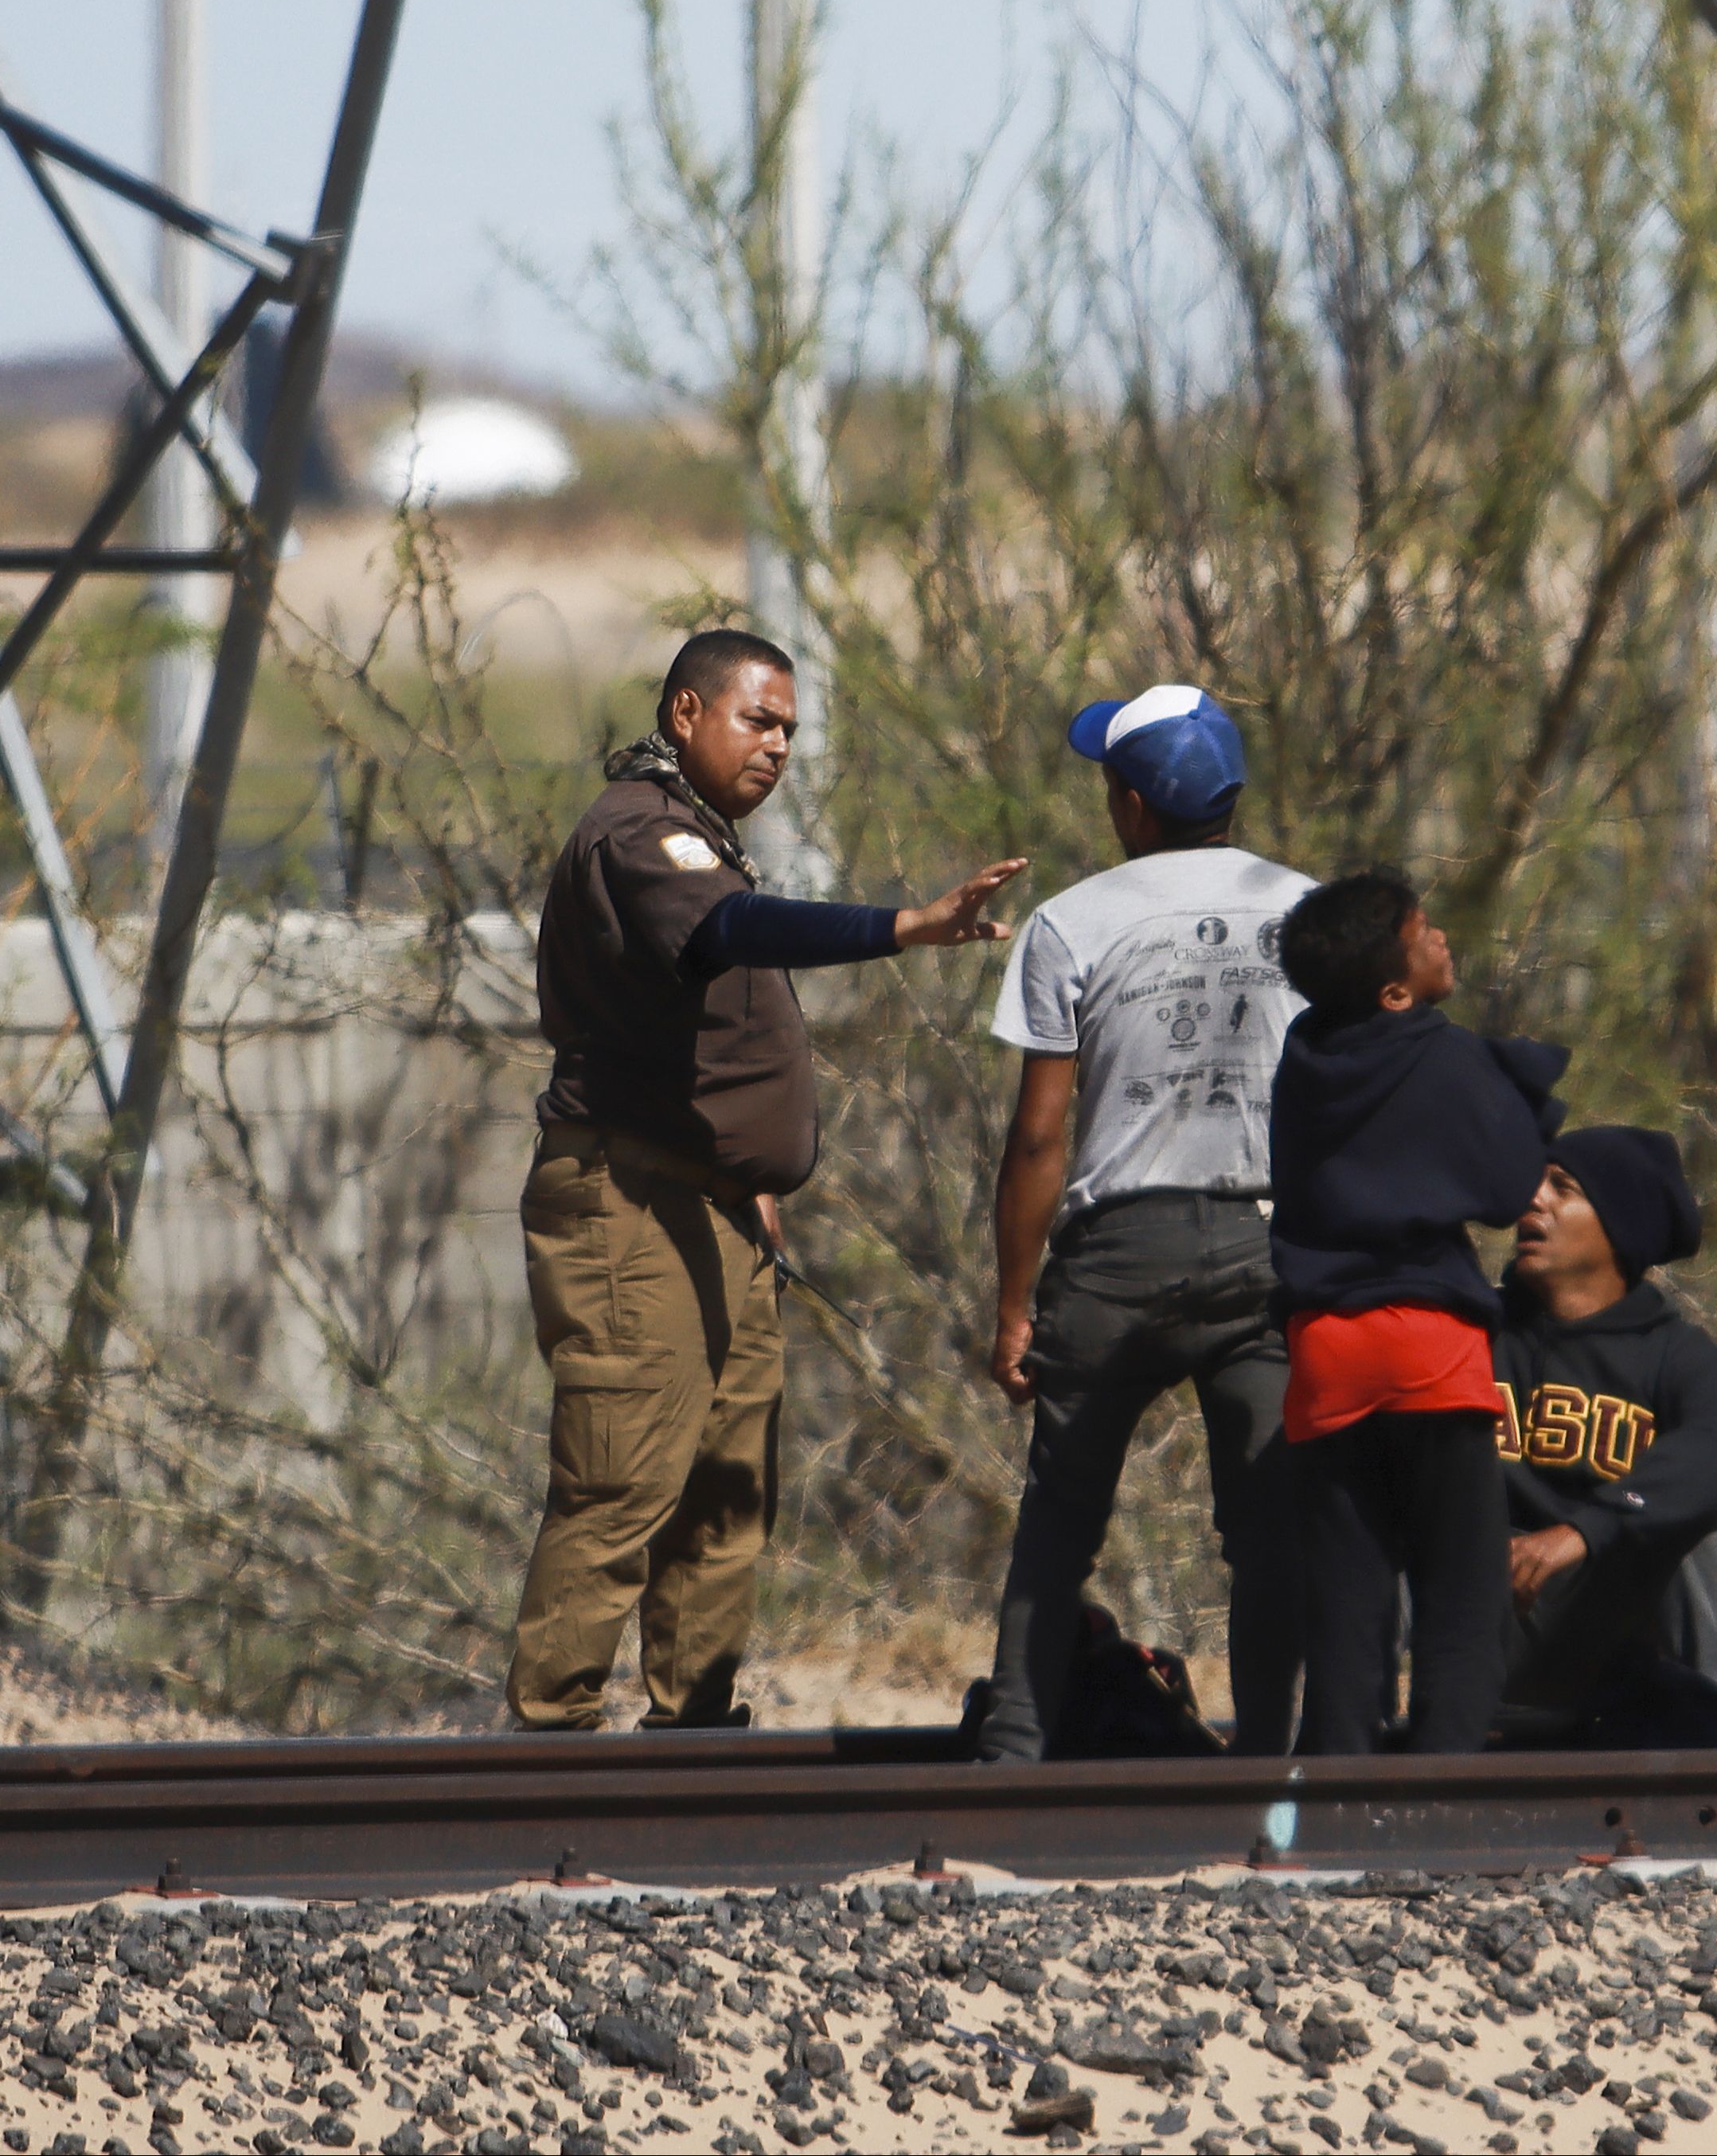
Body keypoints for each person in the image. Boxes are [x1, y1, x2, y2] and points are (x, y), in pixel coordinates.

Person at [513, 628, 1024, 1732]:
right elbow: (731, 930)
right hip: (626, 1199)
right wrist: (908, 925)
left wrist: (749, 1177)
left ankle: (690, 1734)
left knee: (726, 1484)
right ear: (687, 714)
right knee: (623, 1475)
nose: (779, 744)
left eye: (791, 727)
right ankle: (547, 1750)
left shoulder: (700, 835)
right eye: (759, 719)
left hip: (710, 1204)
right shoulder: (641, 831)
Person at [973, 684, 1317, 1762]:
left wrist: (1016, 1303)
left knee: (1058, 1530)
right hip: (1268, 1245)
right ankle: (1265, 1767)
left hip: (1117, 1253)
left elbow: (1039, 1137)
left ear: (1129, 804)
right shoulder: (1309, 912)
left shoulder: (1070, 921)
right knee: (1267, 1531)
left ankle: (1012, 1761)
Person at [1266, 868, 1567, 1756]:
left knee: (1349, 1597)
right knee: (1460, 1591)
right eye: (1423, 931)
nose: (1441, 938)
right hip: (1429, 1345)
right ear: (1395, 992)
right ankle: (1444, 1786)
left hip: (1324, 1346)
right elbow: (1510, 1184)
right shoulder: (1439, 1050)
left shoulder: (1304, 1052)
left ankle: (1337, 1791)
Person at [1493, 1127, 1717, 1749]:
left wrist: (1586, 1530)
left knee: (1693, 1534)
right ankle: (1349, 1743)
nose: (1530, 1200)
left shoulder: (1679, 1356)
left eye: (1561, 1188)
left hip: (1609, 1628)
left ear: (1619, 1226)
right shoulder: (1473, 1331)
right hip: (1485, 1607)